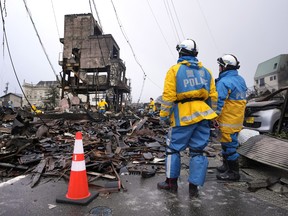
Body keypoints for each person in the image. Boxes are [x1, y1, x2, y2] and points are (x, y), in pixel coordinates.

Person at [157, 39, 218, 197]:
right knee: (197, 151)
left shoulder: (174, 70)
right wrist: (213, 115)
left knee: (172, 149)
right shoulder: (206, 72)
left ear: (180, 52)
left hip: (182, 116)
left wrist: (164, 116)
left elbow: (169, 96)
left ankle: (171, 183)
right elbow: (213, 97)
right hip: (203, 115)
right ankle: (193, 187)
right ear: (195, 54)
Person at [215, 54, 247, 181]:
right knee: (226, 143)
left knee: (229, 146)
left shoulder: (224, 82)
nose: (219, 68)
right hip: (237, 119)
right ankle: (226, 166)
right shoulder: (240, 80)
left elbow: (218, 102)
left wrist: (213, 117)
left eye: (220, 66)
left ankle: (233, 172)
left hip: (227, 120)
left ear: (225, 66)